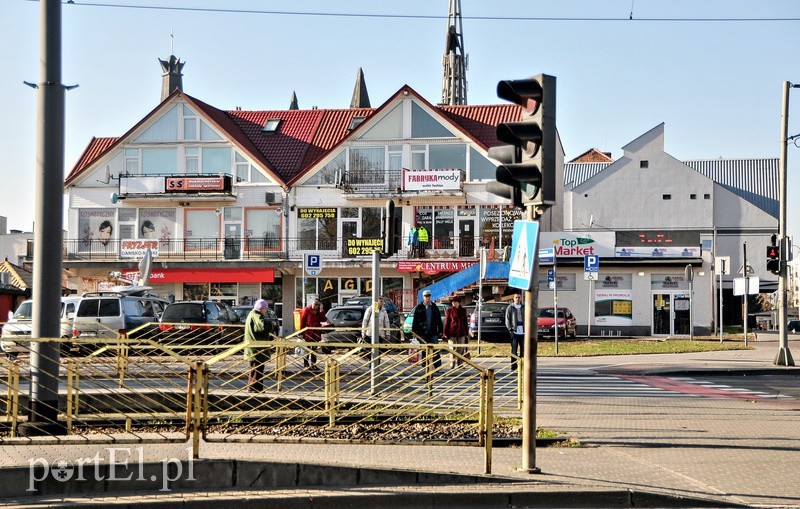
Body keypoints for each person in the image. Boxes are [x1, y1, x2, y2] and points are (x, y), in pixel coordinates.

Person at [244, 299, 274, 392]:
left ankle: (253, 388)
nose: (266, 310)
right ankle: (255, 388)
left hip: (252, 347)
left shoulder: (251, 314)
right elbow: (262, 327)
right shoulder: (257, 315)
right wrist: (271, 324)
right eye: (265, 308)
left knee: (254, 369)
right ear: (261, 308)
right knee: (258, 369)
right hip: (257, 348)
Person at [411, 289, 443, 369]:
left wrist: (440, 331)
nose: (427, 298)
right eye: (425, 296)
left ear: (430, 297)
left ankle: (437, 366)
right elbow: (415, 320)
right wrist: (414, 331)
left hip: (433, 332)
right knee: (424, 350)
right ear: (423, 297)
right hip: (422, 332)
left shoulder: (434, 307)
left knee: (435, 349)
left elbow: (439, 320)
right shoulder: (419, 307)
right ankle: (426, 365)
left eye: (428, 296)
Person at [443, 296, 469, 368]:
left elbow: (465, 322)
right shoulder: (449, 311)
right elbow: (446, 323)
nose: (453, 303)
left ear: (458, 303)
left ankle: (460, 363)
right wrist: (445, 333)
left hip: (461, 332)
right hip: (452, 332)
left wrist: (466, 333)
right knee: (452, 348)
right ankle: (452, 363)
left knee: (460, 349)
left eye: (455, 302)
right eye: (452, 302)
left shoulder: (463, 310)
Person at [300, 299, 325, 371]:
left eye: (316, 305)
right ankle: (306, 364)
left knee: (314, 350)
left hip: (316, 333)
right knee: (307, 349)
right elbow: (302, 321)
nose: (314, 306)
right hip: (308, 333)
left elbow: (323, 319)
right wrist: (301, 333)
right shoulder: (307, 310)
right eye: (314, 305)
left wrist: (321, 310)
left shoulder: (319, 311)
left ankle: (313, 364)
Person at [505, 293, 525, 371]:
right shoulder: (510, 307)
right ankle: (513, 366)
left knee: (523, 349)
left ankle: (522, 366)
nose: (517, 299)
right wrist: (510, 329)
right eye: (516, 297)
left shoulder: (524, 307)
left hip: (523, 331)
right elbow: (507, 319)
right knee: (514, 350)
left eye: (519, 297)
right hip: (514, 331)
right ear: (513, 298)